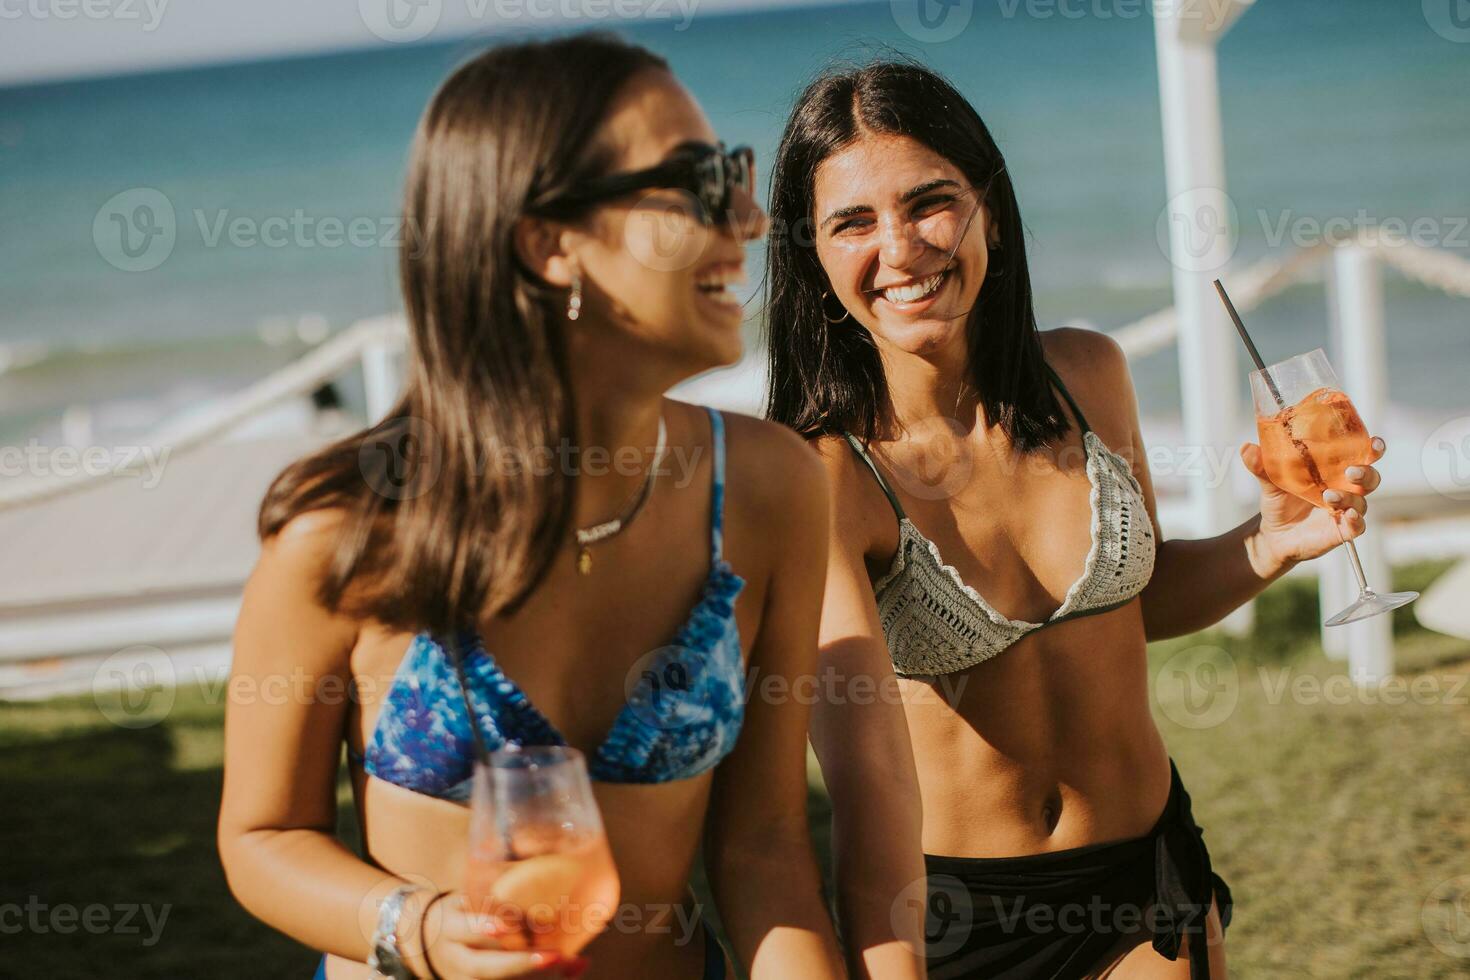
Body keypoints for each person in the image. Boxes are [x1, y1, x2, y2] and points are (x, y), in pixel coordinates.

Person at [218, 34, 846, 980]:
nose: (754, 218)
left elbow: (763, 850)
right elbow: (264, 834)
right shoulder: (346, 535)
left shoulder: (770, 488)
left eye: (738, 173)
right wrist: (418, 930)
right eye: (700, 180)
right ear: (549, 243)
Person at [765, 59, 1389, 979]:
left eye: (930, 202)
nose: (899, 250)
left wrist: (1269, 545)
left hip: (1146, 880)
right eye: (852, 223)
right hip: (960, 918)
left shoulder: (1088, 375)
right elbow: (861, 804)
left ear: (992, 213)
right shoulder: (822, 475)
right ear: (814, 262)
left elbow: (1134, 603)